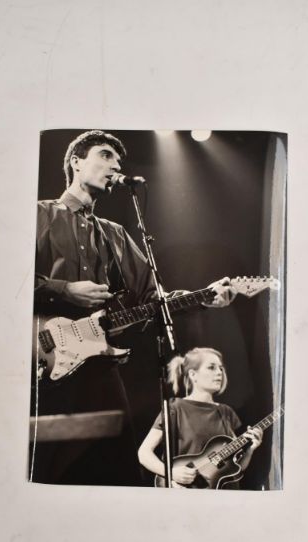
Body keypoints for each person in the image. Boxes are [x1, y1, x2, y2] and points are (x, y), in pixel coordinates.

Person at [30, 130, 236, 486]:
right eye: (105, 155)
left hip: (99, 364)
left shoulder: (116, 234)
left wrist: (202, 297)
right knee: (44, 467)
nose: (116, 166)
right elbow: (5, 280)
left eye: (119, 161)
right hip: (42, 360)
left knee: (117, 467)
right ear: (76, 162)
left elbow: (154, 299)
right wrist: (65, 290)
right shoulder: (38, 215)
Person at [138, 347, 262, 488]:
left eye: (221, 368)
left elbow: (233, 469)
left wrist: (250, 450)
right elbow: (144, 453)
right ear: (193, 374)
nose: (219, 372)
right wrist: (171, 473)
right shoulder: (175, 408)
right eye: (211, 367)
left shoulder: (226, 412)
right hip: (185, 492)